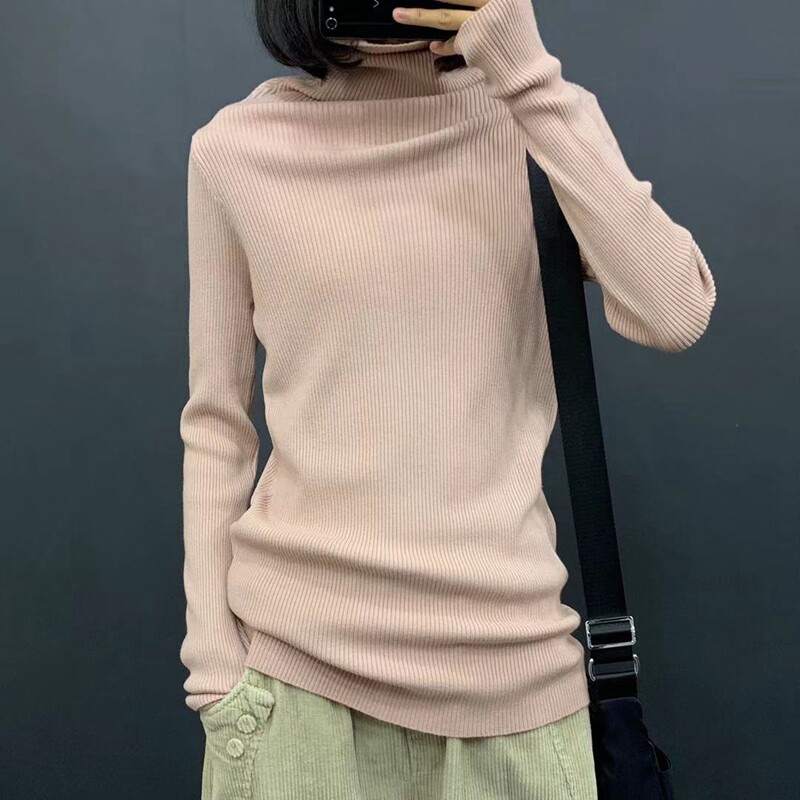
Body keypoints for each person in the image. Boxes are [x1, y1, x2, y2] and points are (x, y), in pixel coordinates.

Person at [178, 1, 717, 798]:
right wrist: (214, 664)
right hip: (296, 684)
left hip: (515, 677)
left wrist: (527, 74)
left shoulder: (533, 118)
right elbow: (218, 423)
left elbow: (673, 313)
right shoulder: (236, 149)